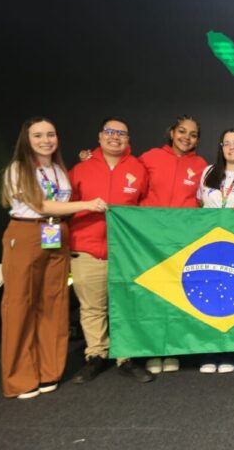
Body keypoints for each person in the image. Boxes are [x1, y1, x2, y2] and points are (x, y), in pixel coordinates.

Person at [0, 117, 108, 399]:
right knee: (20, 305)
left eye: (50, 134)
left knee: (53, 303)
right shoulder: (19, 169)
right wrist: (87, 204)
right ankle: (21, 378)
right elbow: (39, 203)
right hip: (27, 234)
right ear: (27, 139)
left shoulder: (58, 169)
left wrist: (90, 157)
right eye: (38, 136)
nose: (45, 140)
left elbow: (57, 203)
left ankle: (48, 371)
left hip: (56, 234)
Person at [69, 118, 154, 384]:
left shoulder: (138, 169)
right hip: (87, 248)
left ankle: (126, 357)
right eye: (110, 132)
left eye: (122, 134)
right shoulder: (80, 169)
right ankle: (96, 355)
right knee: (92, 307)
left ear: (128, 140)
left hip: (125, 251)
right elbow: (66, 205)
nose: (115, 137)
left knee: (126, 305)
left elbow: (145, 207)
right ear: (100, 136)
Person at [139, 115, 207, 375]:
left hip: (182, 241)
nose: (186, 137)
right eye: (182, 131)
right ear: (171, 133)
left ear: (198, 140)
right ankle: (153, 350)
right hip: (149, 240)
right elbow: (126, 176)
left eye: (192, 134)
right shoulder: (149, 158)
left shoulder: (201, 165)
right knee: (152, 296)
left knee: (177, 296)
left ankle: (174, 349)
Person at [196, 128, 234, 374]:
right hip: (209, 243)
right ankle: (210, 349)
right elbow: (200, 203)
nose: (231, 147)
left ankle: (229, 349)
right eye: (226, 143)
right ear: (220, 148)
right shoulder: (208, 172)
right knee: (208, 295)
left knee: (231, 295)